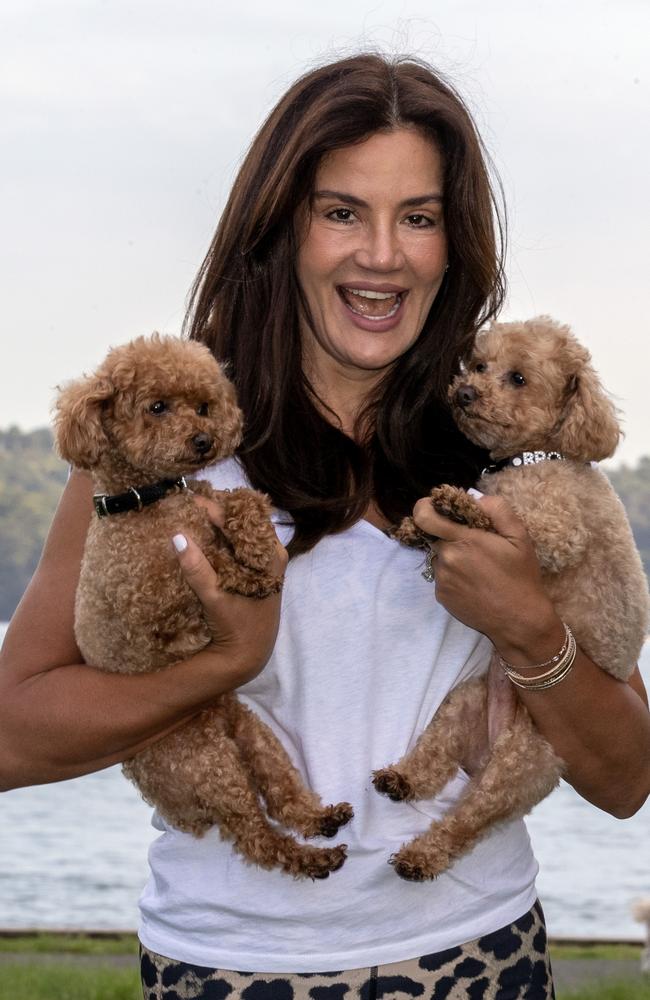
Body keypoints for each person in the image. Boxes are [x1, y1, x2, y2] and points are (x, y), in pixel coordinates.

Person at [1, 53, 649, 999]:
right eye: (341, 211)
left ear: (452, 243)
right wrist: (222, 663)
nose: (381, 254)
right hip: (231, 967)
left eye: (418, 218)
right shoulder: (158, 449)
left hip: (484, 955)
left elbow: (627, 779)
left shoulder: (514, 457)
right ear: (280, 227)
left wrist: (530, 631)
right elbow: (12, 739)